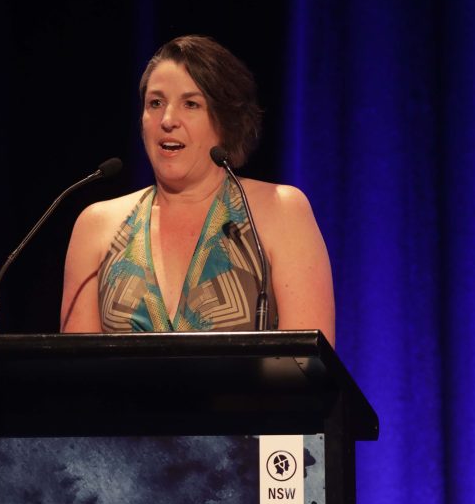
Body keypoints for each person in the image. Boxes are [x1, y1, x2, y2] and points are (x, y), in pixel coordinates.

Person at [60, 34, 334, 344]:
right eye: (155, 103)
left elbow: (308, 373)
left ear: (225, 121)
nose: (167, 120)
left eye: (191, 104)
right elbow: (75, 377)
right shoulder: (96, 226)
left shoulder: (281, 211)